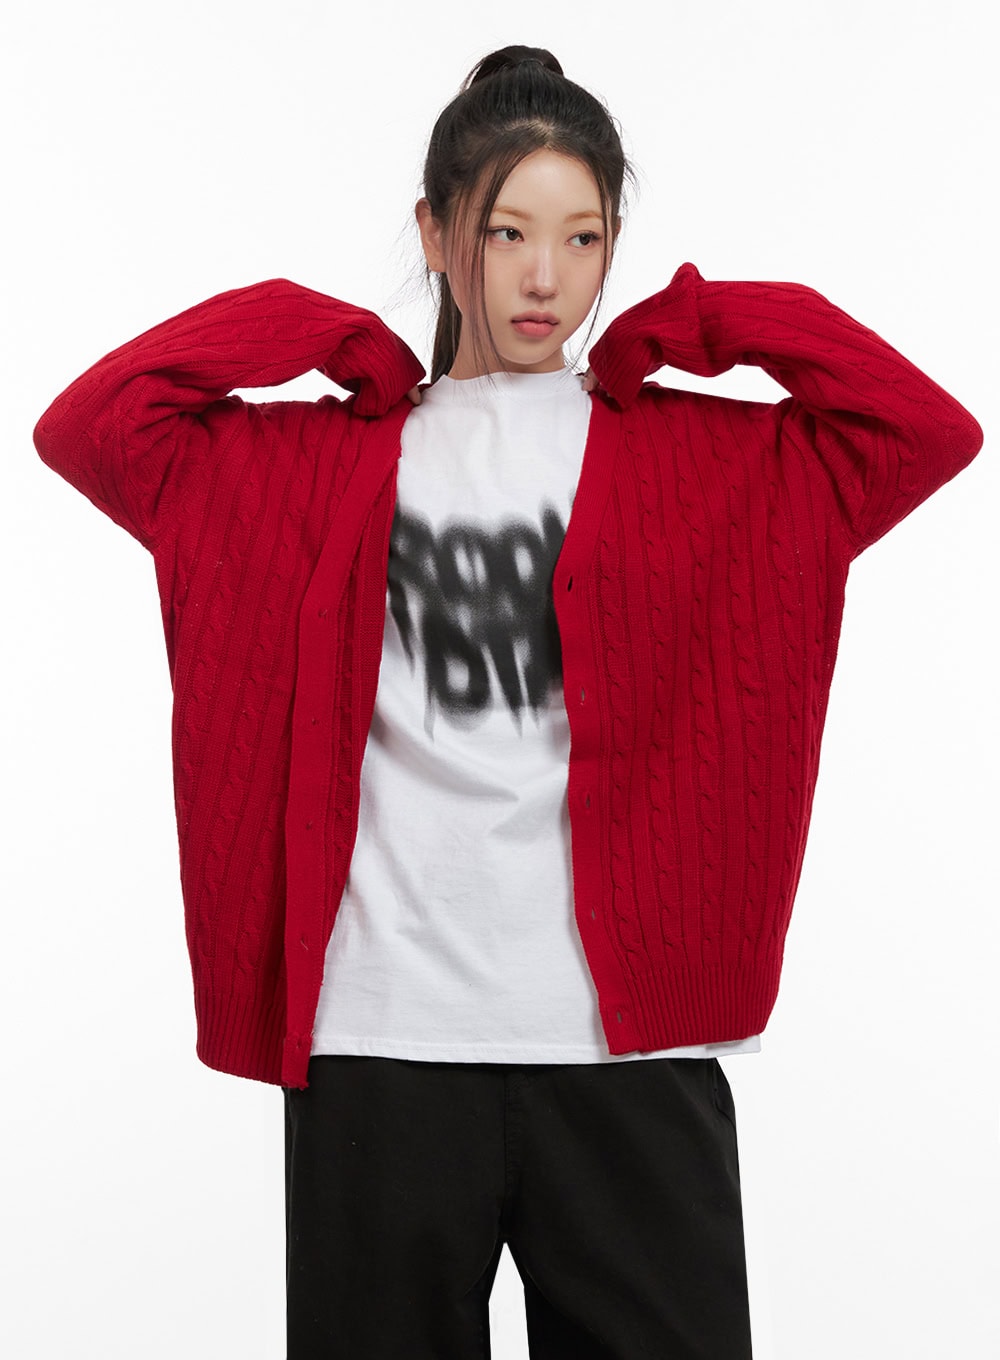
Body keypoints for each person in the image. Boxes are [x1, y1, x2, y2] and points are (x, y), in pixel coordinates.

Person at [33, 42, 982, 1360]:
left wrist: (709, 322)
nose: (547, 277)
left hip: (627, 1055)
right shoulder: (319, 460)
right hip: (381, 1046)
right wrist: (311, 329)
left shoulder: (701, 459)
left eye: (584, 236)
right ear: (435, 233)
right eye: (506, 231)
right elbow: (92, 427)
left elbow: (922, 432)